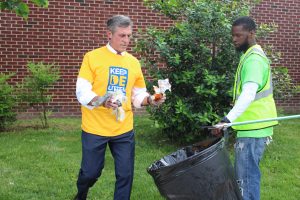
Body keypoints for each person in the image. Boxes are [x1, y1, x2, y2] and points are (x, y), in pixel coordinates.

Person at [74, 15, 165, 200]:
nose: (126, 40)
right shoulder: (92, 57)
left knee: (125, 174)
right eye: (122, 35)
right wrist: (102, 101)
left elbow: (138, 95)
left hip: (123, 128)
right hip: (95, 127)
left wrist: (151, 100)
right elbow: (82, 91)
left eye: (129, 36)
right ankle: (81, 194)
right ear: (109, 34)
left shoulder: (133, 62)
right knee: (90, 173)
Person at [215, 16, 278, 200]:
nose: (234, 39)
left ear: (251, 33)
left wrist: (227, 120)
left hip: (255, 129)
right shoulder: (249, 56)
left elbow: (249, 93)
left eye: (238, 35)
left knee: (247, 179)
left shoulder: (254, 60)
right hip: (251, 127)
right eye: (233, 35)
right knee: (245, 177)